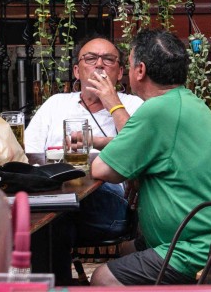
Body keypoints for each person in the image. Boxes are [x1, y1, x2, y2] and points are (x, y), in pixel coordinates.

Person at [89, 29, 211, 286]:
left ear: (140, 70)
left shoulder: (158, 110)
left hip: (193, 248)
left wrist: (113, 105)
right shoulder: (188, 102)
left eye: (128, 64)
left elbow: (101, 170)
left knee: (102, 279)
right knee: (126, 250)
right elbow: (153, 149)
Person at [25, 35, 143, 284]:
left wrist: (111, 100)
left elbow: (138, 150)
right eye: (90, 59)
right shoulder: (55, 104)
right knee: (48, 224)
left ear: (120, 72)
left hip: (108, 205)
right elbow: (29, 154)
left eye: (108, 60)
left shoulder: (133, 105)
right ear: (77, 71)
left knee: (49, 221)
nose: (99, 65)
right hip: (57, 198)